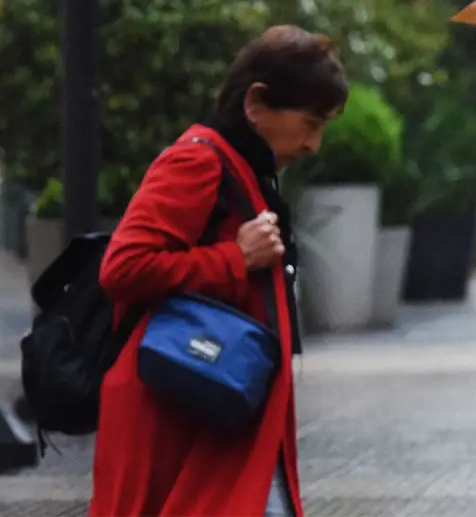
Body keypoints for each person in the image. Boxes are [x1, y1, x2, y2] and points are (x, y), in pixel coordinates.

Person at [90, 25, 349, 517]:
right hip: (181, 413)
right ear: (257, 104)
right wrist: (234, 259)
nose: (314, 144)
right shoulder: (198, 160)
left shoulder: (241, 168)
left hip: (216, 409)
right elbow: (122, 267)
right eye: (310, 122)